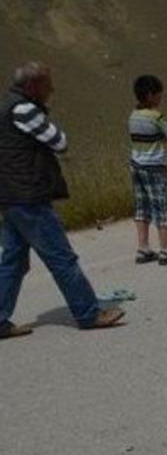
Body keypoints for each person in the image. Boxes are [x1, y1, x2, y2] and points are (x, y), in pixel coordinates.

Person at [0, 62, 125, 339]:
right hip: (29, 196)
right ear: (32, 86)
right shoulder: (24, 109)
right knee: (61, 257)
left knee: (13, 261)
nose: (52, 89)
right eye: (47, 84)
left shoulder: (6, 107)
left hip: (10, 196)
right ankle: (89, 313)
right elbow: (59, 141)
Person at [129, 74, 167, 265]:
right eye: (159, 95)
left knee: (142, 206)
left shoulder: (132, 115)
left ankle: (143, 248)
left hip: (136, 165)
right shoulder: (155, 116)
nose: (161, 98)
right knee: (161, 206)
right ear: (151, 95)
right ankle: (165, 250)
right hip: (154, 166)